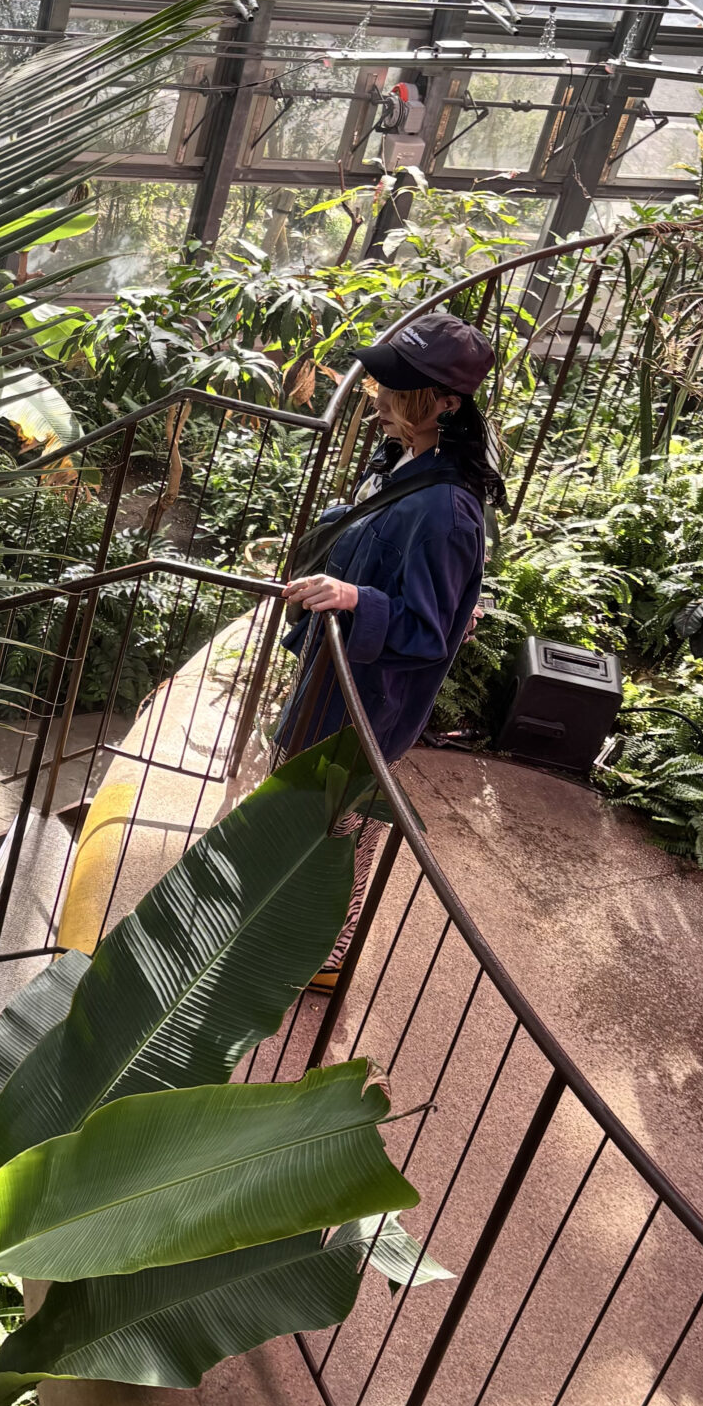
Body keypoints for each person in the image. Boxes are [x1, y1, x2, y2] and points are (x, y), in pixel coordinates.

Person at [277, 310, 503, 988]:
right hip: (333, 684)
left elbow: (428, 632)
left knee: (343, 828)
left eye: (397, 386)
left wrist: (356, 598)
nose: (378, 396)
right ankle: (283, 930)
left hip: (367, 706)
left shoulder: (446, 510)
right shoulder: (403, 458)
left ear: (446, 404)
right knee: (305, 816)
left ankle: (326, 955)